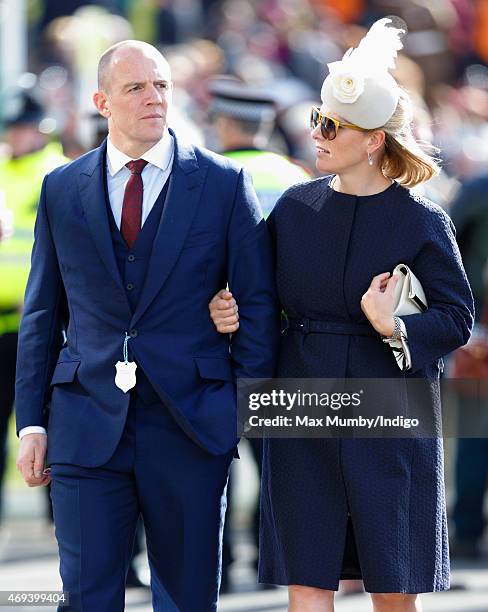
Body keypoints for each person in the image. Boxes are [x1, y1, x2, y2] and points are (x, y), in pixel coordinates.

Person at [209, 17, 474, 612]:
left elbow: (458, 316)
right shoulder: (295, 209)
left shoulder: (424, 220)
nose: (318, 134)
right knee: (307, 575)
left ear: (374, 139)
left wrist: (394, 326)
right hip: (301, 396)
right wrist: (229, 312)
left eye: (332, 125)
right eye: (316, 120)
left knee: (393, 575)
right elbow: (255, 296)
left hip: (390, 403)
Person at [14, 40, 279, 611]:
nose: (153, 98)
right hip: (84, 426)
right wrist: (31, 424)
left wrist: (240, 406)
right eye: (135, 87)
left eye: (161, 85)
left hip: (191, 425)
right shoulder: (61, 188)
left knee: (186, 600)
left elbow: (257, 305)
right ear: (102, 102)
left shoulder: (223, 183)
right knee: (87, 598)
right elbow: (42, 314)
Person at [207, 75, 311, 592]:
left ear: (225, 123)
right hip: (285, 340)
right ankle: (282, 567)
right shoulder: (296, 176)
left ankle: (220, 567)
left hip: (220, 337)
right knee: (278, 461)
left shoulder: (212, 176)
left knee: (213, 458)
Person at [0, 89, 67, 523]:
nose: (13, 135)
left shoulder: (59, 174)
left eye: (20, 127)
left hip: (45, 324)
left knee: (54, 427)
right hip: (4, 324)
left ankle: (61, 524)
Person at [449, 173, 488, 559]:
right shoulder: (478, 192)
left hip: (479, 329)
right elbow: (450, 255)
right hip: (481, 332)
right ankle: (467, 529)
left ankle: (468, 531)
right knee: (476, 436)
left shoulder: (478, 190)